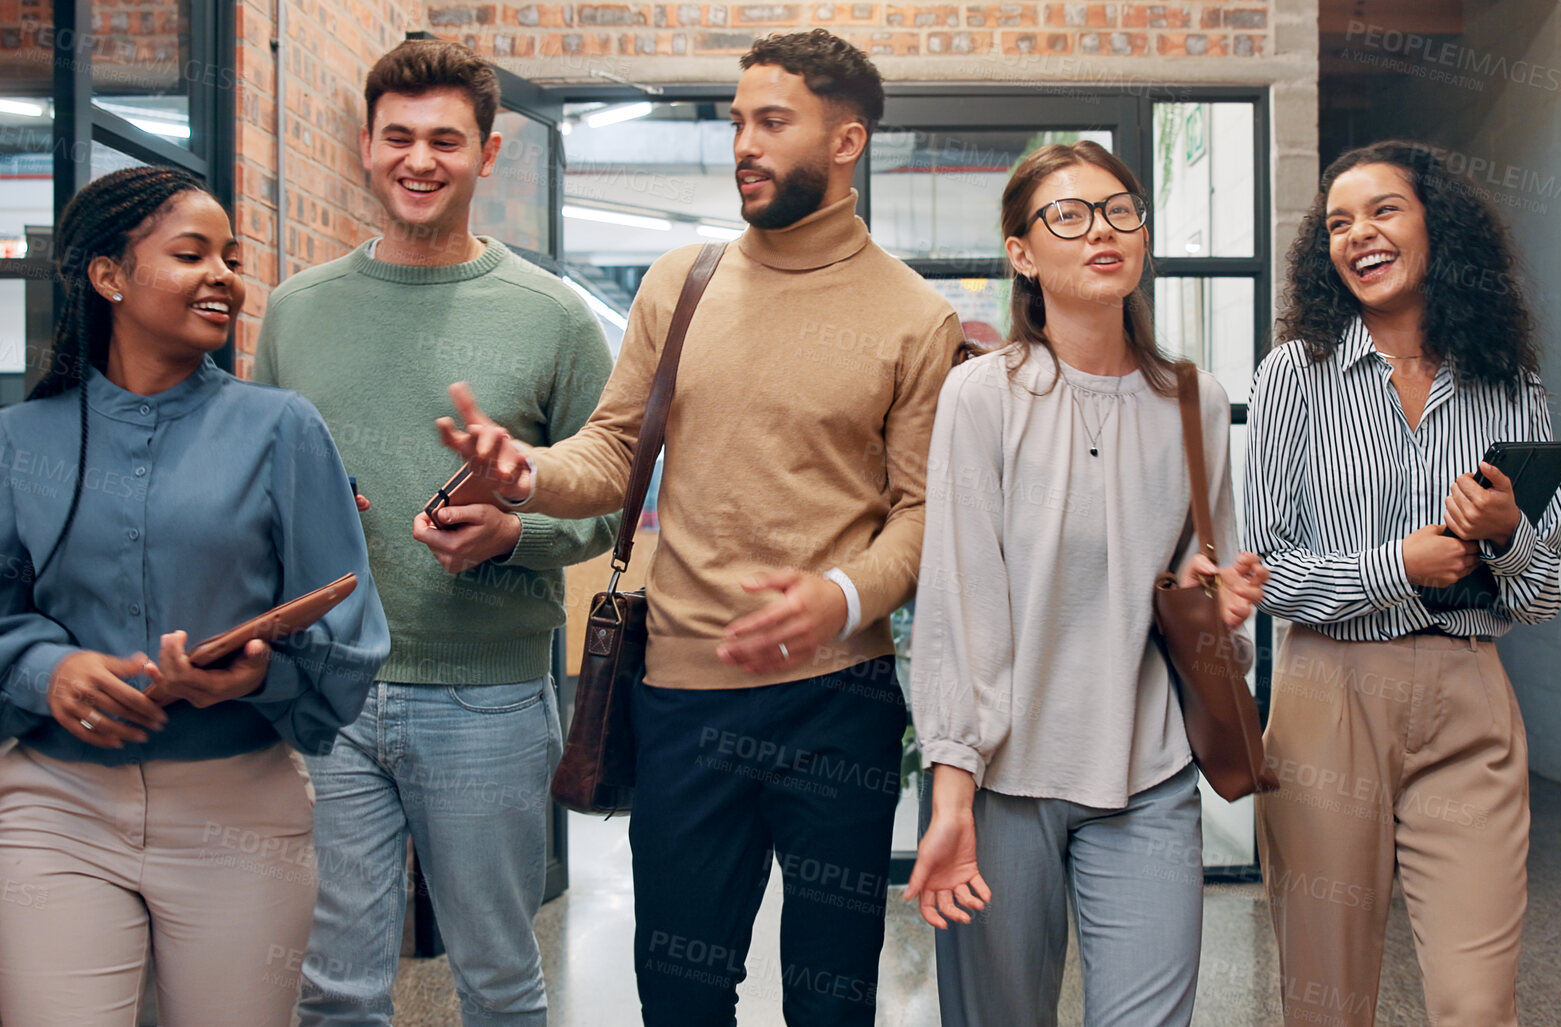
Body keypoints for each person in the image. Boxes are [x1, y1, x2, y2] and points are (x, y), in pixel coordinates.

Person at [437, 29, 961, 1025]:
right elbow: (608, 450)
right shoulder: (685, 284)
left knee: (831, 994)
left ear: (846, 141)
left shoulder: (914, 318)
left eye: (773, 122)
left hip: (837, 702)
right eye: (737, 124)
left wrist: (839, 594)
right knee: (679, 990)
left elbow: (921, 513)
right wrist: (525, 475)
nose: (744, 146)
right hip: (681, 700)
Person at [255, 40, 618, 1027]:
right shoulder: (294, 312)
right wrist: (304, 516)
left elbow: (610, 497)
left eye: (446, 141)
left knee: (499, 983)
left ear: (486, 155)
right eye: (399, 137)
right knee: (334, 992)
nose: (420, 160)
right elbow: (254, 485)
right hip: (328, 696)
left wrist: (510, 533)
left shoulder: (554, 320)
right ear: (367, 146)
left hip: (490, 697)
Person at [0, 166, 389, 1026]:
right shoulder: (18, 438)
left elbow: (352, 632)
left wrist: (252, 677)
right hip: (55, 803)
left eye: (231, 257)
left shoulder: (284, 428)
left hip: (238, 807)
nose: (224, 276)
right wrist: (46, 670)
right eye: (192, 254)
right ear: (108, 276)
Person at [902, 141, 1267, 1026]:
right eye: (1067, 215)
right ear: (1022, 253)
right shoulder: (982, 395)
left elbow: (1195, 584)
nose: (1101, 230)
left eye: (1119, 209)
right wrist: (952, 792)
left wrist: (1216, 609)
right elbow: (957, 602)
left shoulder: (1195, 399)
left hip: (1147, 770)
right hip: (1000, 776)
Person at [1244, 140, 1561, 1027]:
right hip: (1327, 697)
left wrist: (1507, 539)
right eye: (1338, 223)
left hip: (1469, 695)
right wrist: (1396, 565)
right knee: (1327, 997)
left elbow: (1543, 594)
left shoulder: (1511, 385)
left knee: (1476, 999)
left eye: (1383, 210)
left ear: (1437, 228)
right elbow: (1266, 567)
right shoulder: (1294, 376)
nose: (1359, 235)